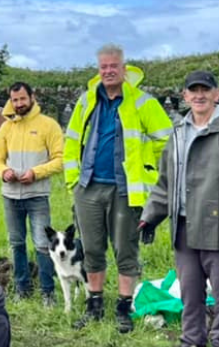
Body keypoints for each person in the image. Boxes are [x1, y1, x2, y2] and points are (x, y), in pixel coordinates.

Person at [139, 70, 219, 347]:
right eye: (193, 91)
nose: (199, 95)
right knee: (190, 294)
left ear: (217, 94)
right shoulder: (178, 134)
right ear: (185, 96)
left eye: (205, 90)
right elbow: (166, 183)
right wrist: (149, 217)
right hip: (184, 228)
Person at [63, 44, 172, 332]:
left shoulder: (142, 102)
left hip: (126, 190)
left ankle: (124, 308)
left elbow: (167, 141)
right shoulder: (86, 101)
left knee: (126, 249)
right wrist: (73, 180)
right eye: (103, 67)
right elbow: (72, 140)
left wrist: (144, 167)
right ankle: (94, 306)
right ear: (98, 71)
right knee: (92, 249)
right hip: (88, 187)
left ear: (125, 69)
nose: (108, 71)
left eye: (114, 66)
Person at [0, 81, 64, 305]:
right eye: (15, 100)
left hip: (37, 195)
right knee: (16, 243)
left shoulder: (48, 125)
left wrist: (35, 172)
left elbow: (60, 160)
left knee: (43, 243)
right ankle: (22, 289)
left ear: (32, 97)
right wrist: (4, 172)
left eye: (22, 99)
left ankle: (47, 292)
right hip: (10, 196)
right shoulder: (6, 127)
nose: (19, 104)